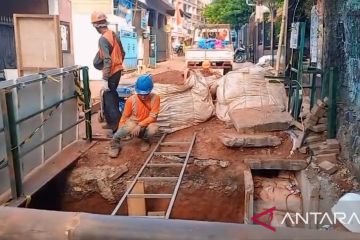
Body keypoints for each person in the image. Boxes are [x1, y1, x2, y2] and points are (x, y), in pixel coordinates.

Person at [109, 74, 160, 158]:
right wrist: (121, 129)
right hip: (134, 121)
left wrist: (140, 125)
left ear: (150, 90)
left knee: (153, 129)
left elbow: (153, 117)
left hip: (148, 122)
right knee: (126, 129)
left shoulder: (156, 98)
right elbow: (124, 116)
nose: (143, 96)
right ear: (136, 90)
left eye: (146, 94)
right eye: (140, 94)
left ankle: (145, 140)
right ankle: (114, 145)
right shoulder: (131, 100)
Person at [92, 11, 126, 132]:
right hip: (117, 70)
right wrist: (119, 65)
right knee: (111, 95)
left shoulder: (103, 39)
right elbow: (122, 52)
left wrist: (105, 78)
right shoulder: (113, 35)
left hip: (111, 73)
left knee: (109, 98)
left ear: (95, 26)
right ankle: (111, 122)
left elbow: (107, 59)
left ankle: (118, 127)